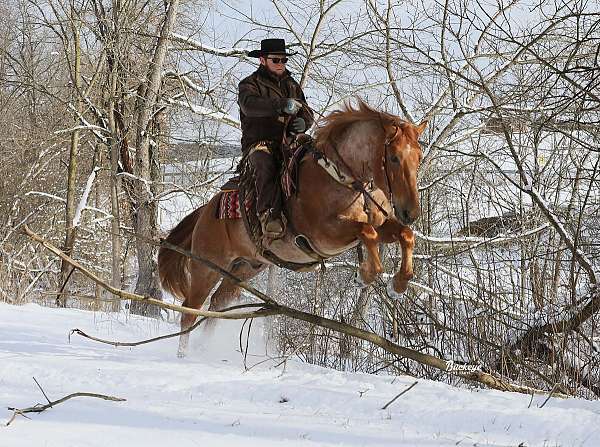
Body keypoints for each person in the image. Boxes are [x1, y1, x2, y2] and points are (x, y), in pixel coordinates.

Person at [238, 38, 314, 239]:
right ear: (262, 60)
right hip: (260, 144)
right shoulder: (248, 84)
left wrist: (304, 123)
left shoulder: (292, 85)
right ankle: (268, 215)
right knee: (265, 163)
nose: (281, 64)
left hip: (290, 143)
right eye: (276, 60)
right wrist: (279, 105)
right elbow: (249, 106)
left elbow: (307, 111)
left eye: (284, 60)